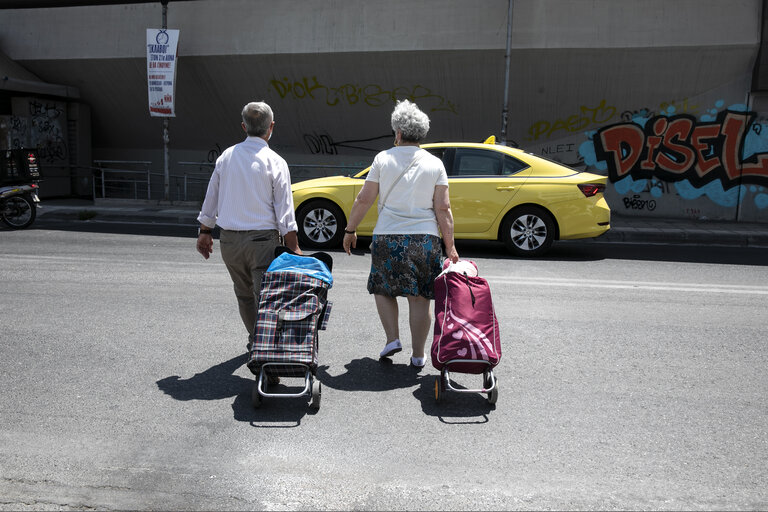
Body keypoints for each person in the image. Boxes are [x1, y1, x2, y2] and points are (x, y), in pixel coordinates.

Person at [342, 99, 459, 369]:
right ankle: (418, 356)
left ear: (397, 132)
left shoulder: (382, 159)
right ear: (421, 133)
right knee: (420, 297)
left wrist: (350, 229)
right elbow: (443, 208)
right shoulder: (435, 164)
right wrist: (450, 246)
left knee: (383, 289)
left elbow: (364, 199)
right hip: (425, 240)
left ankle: (392, 338)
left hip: (388, 237)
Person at [196, 101, 302, 352]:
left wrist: (205, 232)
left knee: (244, 295)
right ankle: (265, 346)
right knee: (266, 298)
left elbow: (211, 196)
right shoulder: (276, 162)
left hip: (230, 241)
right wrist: (294, 247)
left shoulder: (226, 157)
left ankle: (256, 339)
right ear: (271, 127)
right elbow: (284, 210)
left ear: (244, 126)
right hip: (263, 242)